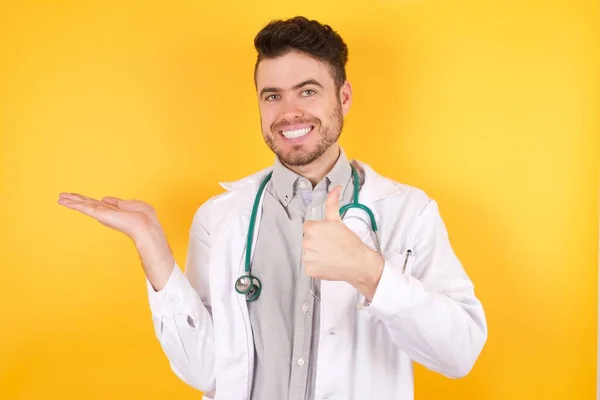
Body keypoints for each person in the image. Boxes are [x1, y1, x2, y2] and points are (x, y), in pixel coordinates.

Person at [57, 16, 487, 400]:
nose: (289, 112)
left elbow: (460, 354)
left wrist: (368, 271)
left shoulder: (407, 212)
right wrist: (152, 245)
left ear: (345, 97)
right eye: (272, 96)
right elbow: (204, 370)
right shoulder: (220, 217)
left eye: (308, 91)